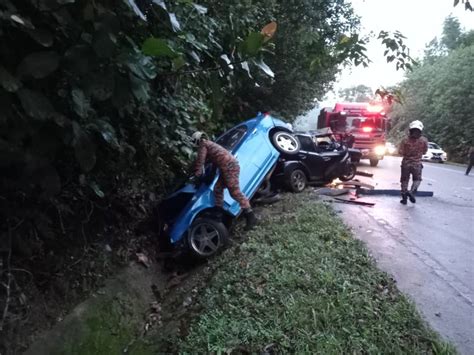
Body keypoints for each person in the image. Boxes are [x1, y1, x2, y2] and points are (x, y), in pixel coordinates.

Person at [191, 131, 257, 230]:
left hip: (229, 167)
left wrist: (197, 175)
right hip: (226, 167)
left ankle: (251, 217)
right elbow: (214, 163)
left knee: (234, 192)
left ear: (196, 140)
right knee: (217, 188)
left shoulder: (203, 145)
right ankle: (218, 214)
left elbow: (200, 162)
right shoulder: (210, 145)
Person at [398, 120, 428, 205]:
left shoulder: (404, 140)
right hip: (417, 164)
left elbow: (400, 152)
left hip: (406, 163)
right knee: (417, 179)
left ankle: (404, 197)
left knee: (404, 180)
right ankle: (411, 192)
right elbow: (425, 151)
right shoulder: (424, 140)